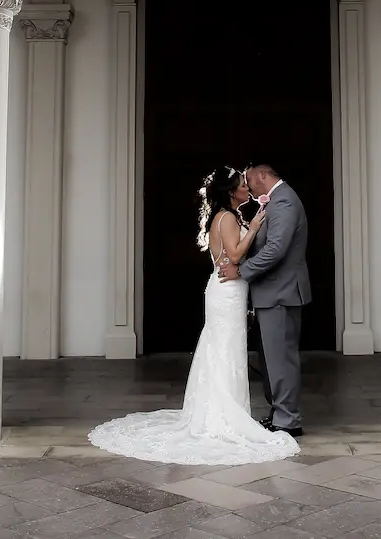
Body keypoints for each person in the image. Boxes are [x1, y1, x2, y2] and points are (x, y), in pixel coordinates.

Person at [87, 166, 299, 464]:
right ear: (231, 192)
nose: (247, 188)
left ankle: (228, 411)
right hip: (226, 290)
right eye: (242, 184)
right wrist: (253, 229)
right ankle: (222, 415)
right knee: (223, 349)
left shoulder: (231, 216)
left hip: (233, 290)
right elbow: (235, 256)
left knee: (228, 350)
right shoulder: (226, 218)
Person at [219, 163, 309, 436]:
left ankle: (288, 419)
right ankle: (279, 414)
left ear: (263, 175)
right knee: (272, 359)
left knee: (281, 359)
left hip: (280, 292)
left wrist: (241, 271)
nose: (246, 185)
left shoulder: (284, 202)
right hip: (272, 292)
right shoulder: (277, 201)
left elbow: (275, 250)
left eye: (248, 179)